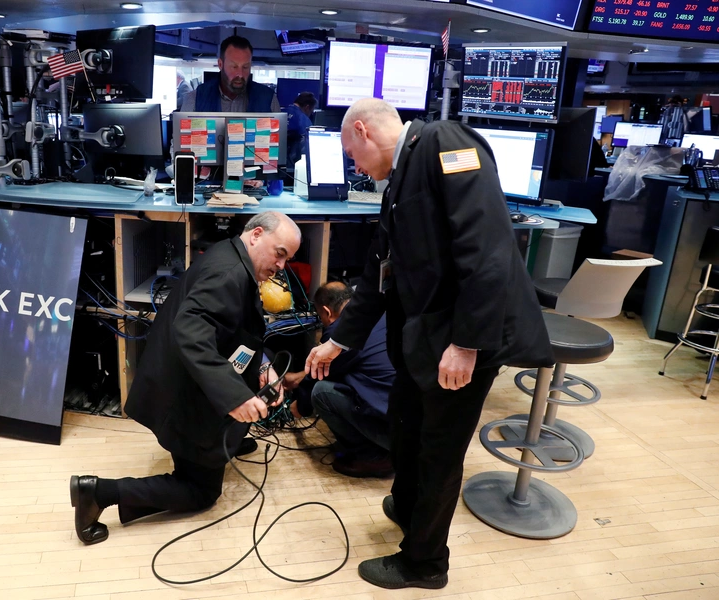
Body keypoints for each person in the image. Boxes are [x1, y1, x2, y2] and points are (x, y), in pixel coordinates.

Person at [305, 99, 554, 590]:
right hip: (425, 344)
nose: (354, 166)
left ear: (363, 130)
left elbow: (488, 251)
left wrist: (466, 344)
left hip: (464, 343)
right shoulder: (397, 181)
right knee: (406, 429)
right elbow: (377, 279)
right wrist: (337, 343)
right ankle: (409, 506)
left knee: (439, 451)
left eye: (351, 153)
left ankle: (425, 564)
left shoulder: (448, 144)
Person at [70, 211, 301, 545]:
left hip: (186, 378)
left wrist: (263, 368)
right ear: (256, 235)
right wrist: (235, 397)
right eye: (280, 253)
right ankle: (98, 493)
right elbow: (192, 333)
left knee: (226, 439)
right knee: (201, 493)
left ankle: (228, 442)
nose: (282, 265)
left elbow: (231, 331)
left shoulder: (233, 257)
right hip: (184, 392)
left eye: (288, 259)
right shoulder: (228, 274)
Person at [284, 281, 394, 478]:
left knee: (321, 393)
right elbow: (346, 363)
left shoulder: (341, 332)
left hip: (393, 434)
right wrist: (300, 377)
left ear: (326, 312)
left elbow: (321, 377)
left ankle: (373, 457)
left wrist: (299, 406)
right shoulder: (379, 311)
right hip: (414, 423)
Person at [180, 35, 281, 113]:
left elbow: (280, 139)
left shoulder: (268, 99)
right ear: (220, 64)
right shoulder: (195, 100)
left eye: (245, 67)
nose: (240, 74)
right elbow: (181, 139)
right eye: (234, 67)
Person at [285, 91, 317, 167]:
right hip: (294, 164)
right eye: (311, 111)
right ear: (307, 107)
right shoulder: (304, 120)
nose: (310, 114)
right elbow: (307, 146)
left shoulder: (281, 112)